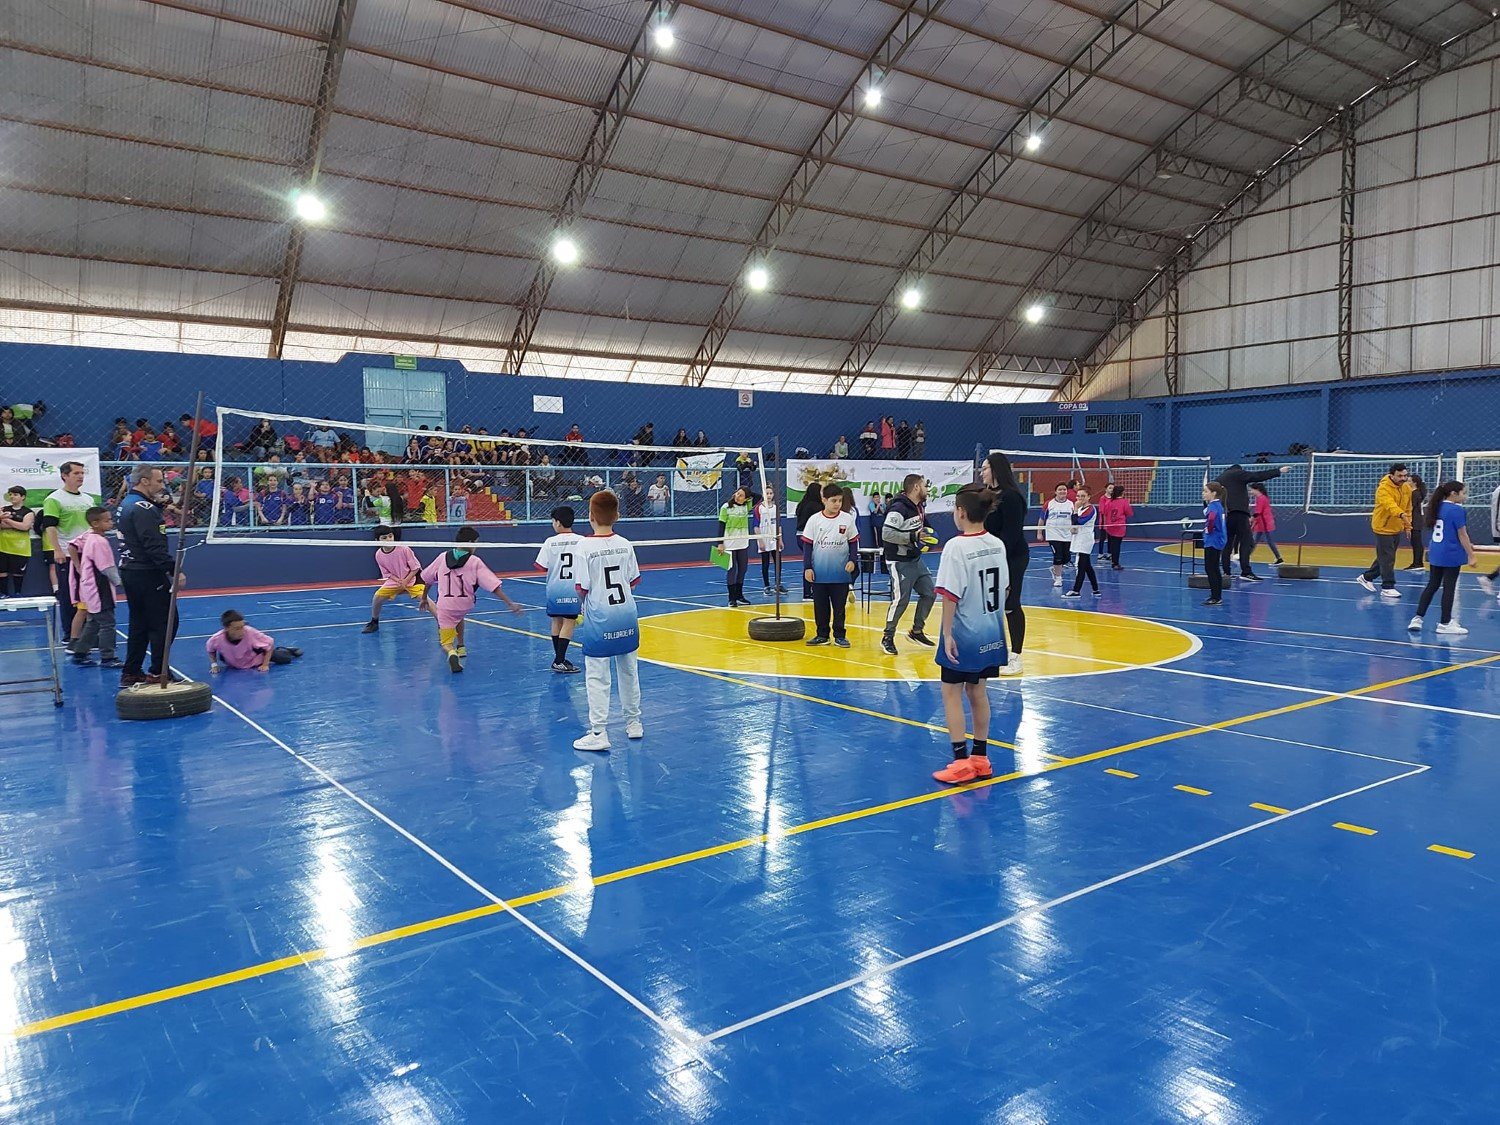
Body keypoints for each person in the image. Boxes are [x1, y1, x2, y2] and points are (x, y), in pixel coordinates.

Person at [930, 486, 1009, 785]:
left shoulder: (956, 547)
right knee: (978, 690)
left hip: (965, 632)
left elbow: (950, 595)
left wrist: (947, 633)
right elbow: (1005, 588)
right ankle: (981, 757)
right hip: (991, 630)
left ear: (961, 512)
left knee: (951, 691)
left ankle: (961, 761)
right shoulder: (997, 544)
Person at [572, 490, 644, 751]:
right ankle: (634, 723)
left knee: (597, 675)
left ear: (590, 516)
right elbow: (633, 581)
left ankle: (599, 731)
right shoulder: (625, 544)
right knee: (629, 670)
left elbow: (581, 587)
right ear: (618, 515)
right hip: (626, 615)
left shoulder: (584, 547)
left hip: (599, 620)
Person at [421, 526, 523, 673]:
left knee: (445, 642)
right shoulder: (475, 561)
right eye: (476, 543)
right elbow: (493, 586)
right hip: (464, 605)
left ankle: (451, 652)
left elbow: (427, 579)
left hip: (445, 606)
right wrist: (510, 603)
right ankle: (461, 646)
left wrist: (424, 598)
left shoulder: (442, 557)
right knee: (458, 616)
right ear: (469, 543)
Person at [117, 465, 179, 686]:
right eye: (159, 481)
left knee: (140, 622)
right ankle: (158, 671)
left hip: (130, 570)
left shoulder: (128, 503)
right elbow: (153, 545)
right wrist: (173, 569)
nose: (161, 486)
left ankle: (131, 671)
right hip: (146, 572)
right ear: (144, 481)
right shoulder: (143, 508)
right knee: (166, 622)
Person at [981, 452, 1028, 677]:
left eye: (985, 468)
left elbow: (1011, 535)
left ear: (996, 469)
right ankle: (993, 652)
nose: (982, 472)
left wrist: (997, 560)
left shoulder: (1011, 497)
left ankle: (1016, 656)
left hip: (1012, 557)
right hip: (991, 557)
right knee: (990, 606)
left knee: (1011, 604)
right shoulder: (987, 495)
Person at [880, 473, 936, 655]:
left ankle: (917, 631)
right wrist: (912, 536)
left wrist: (929, 537)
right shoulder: (898, 508)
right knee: (901, 599)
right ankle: (887, 637)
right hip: (899, 561)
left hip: (915, 558)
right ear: (916, 487)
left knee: (929, 593)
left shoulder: (919, 506)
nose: (927, 489)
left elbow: (924, 527)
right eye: (925, 486)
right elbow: (886, 534)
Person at [1408, 481, 1474, 636]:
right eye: (1463, 493)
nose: (1465, 496)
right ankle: (1445, 623)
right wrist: (1471, 555)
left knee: (1432, 585)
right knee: (1449, 587)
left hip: (1436, 551)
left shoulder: (1436, 506)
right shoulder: (1457, 510)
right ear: (1453, 494)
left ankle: (1417, 618)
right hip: (1451, 553)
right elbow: (1462, 535)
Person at [41, 460, 98, 636]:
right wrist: (57, 550)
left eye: (82, 473)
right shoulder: (54, 499)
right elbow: (50, 526)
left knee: (89, 593)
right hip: (67, 553)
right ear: (65, 476)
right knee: (69, 594)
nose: (80, 476)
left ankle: (88, 632)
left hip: (88, 553)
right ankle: (70, 634)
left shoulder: (88, 499)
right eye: (76, 473)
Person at [800, 483, 859, 648]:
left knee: (839, 607)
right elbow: (807, 546)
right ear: (824, 500)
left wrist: (852, 560)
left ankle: (840, 635)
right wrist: (807, 567)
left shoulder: (847, 519)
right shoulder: (814, 520)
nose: (837, 504)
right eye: (833, 500)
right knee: (820, 606)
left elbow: (853, 542)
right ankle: (822, 635)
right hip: (819, 573)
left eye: (840, 500)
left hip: (840, 573)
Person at [66, 506, 123, 668]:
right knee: (107, 623)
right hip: (99, 588)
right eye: (107, 520)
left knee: (93, 622)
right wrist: (119, 581)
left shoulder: (91, 538)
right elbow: (106, 567)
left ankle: (80, 652)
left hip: (91, 587)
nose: (111, 523)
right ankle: (108, 657)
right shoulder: (99, 541)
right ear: (95, 523)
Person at [1214, 463, 1290, 581]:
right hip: (1240, 514)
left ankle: (1226, 572)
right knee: (1247, 542)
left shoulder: (1219, 479)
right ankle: (1246, 572)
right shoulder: (1238, 474)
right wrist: (1278, 471)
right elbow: (1257, 476)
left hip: (1226, 515)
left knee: (1227, 544)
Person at [535, 506, 584, 674]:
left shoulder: (550, 542)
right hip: (573, 589)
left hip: (554, 588)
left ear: (557, 522)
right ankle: (559, 660)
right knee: (569, 622)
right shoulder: (582, 541)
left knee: (556, 621)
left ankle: (559, 659)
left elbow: (541, 566)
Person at [1356, 462, 1412, 600]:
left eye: (1405, 475)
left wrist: (1407, 526)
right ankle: (1387, 587)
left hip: (1396, 527)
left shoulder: (1406, 488)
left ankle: (1366, 577)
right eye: (1400, 476)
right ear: (1392, 475)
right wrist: (1401, 515)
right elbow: (1390, 505)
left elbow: (1408, 508)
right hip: (1383, 527)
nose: (1403, 478)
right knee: (1388, 558)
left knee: (1385, 556)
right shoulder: (1383, 489)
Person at [362, 525, 428, 633]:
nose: (388, 539)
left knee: (424, 599)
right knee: (377, 597)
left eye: (390, 536)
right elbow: (387, 573)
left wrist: (406, 580)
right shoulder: (378, 555)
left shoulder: (404, 549)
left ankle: (442, 622)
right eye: (384, 538)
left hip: (413, 578)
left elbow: (416, 568)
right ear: (377, 540)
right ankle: (374, 622)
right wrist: (398, 580)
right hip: (395, 580)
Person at [207, 609, 303, 673]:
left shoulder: (250, 632)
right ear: (226, 628)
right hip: (236, 662)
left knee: (284, 659)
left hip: (256, 658)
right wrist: (214, 665)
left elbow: (269, 643)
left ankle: (286, 650)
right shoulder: (216, 639)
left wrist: (265, 664)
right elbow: (211, 650)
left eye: (242, 627)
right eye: (237, 628)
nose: (241, 631)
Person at [1061, 485, 1100, 598]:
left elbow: (1079, 521)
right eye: (1078, 496)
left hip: (1085, 540)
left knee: (1081, 565)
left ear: (1089, 497)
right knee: (1087, 566)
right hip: (1078, 538)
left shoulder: (1090, 509)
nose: (1080, 498)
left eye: (1083, 496)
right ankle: (1096, 589)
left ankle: (1076, 590)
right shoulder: (1081, 509)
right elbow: (1074, 521)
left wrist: (1075, 510)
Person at [718, 486, 753, 607]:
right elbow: (721, 526)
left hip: (742, 543)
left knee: (743, 569)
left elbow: (758, 497)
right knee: (732, 570)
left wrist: (747, 496)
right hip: (729, 544)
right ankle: (731, 598)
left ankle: (739, 595)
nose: (738, 497)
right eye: (737, 494)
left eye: (741, 495)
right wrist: (720, 543)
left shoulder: (746, 506)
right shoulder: (725, 507)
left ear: (746, 499)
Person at [794, 480, 826, 600]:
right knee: (813, 564)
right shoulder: (816, 506)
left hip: (799, 536)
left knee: (810, 562)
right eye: (820, 491)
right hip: (810, 537)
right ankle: (810, 591)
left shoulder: (802, 504)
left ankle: (808, 591)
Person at [0, 484, 34, 596]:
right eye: (10, 494)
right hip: (3, 546)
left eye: (15, 494)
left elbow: (25, 526)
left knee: (18, 573)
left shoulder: (28, 512)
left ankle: (17, 594)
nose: (12, 497)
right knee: (2, 572)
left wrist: (7, 521)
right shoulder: (4, 509)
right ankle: (3, 594)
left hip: (20, 548)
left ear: (22, 497)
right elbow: (1, 525)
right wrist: (16, 524)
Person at [754, 484, 786, 595]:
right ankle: (766, 586)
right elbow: (756, 526)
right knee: (765, 562)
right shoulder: (759, 508)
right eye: (767, 493)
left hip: (774, 537)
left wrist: (780, 539)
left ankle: (778, 584)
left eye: (771, 493)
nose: (769, 495)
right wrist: (760, 541)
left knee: (778, 562)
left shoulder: (776, 508)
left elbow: (778, 525)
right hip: (764, 537)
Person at [1042, 482, 1073, 588]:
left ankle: (1055, 568)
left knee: (1066, 558)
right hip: (1053, 534)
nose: (1062, 491)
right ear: (1055, 492)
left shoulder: (1071, 504)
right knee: (1058, 556)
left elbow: (1075, 518)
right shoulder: (1049, 504)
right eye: (1060, 489)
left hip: (1067, 535)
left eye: (1064, 489)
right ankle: (1058, 578)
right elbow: (1042, 518)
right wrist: (1039, 532)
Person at [1201, 481, 1227, 607]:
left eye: (1206, 491)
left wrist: (1209, 529)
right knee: (1215, 568)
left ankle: (1215, 597)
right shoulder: (1218, 505)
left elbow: (1211, 518)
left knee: (1210, 568)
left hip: (1212, 541)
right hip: (1218, 540)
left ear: (1214, 493)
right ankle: (1217, 596)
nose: (1203, 493)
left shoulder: (1213, 507)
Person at [1098, 483, 1133, 570]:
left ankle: (1113, 560)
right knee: (1117, 545)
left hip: (1110, 526)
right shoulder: (1124, 502)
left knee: (1112, 544)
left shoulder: (1109, 502)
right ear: (1122, 493)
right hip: (1119, 527)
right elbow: (1129, 513)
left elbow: (1104, 512)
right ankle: (1115, 563)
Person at [1249, 482, 1284, 565]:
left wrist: (1251, 519)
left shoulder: (1261, 498)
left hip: (1265, 523)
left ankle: (1279, 558)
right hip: (1261, 523)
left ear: (1257, 490)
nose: (1250, 492)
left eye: (1251, 490)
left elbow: (1258, 512)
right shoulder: (1261, 498)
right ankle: (1246, 556)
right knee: (1254, 540)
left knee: (1269, 541)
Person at [1405, 472, 1428, 570]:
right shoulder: (1417, 493)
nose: (1407, 483)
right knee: (1416, 542)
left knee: (1416, 542)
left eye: (1409, 481)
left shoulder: (1415, 493)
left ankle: (1418, 563)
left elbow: (1411, 507)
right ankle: (1417, 563)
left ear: (1414, 483)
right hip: (1417, 519)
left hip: (1415, 520)